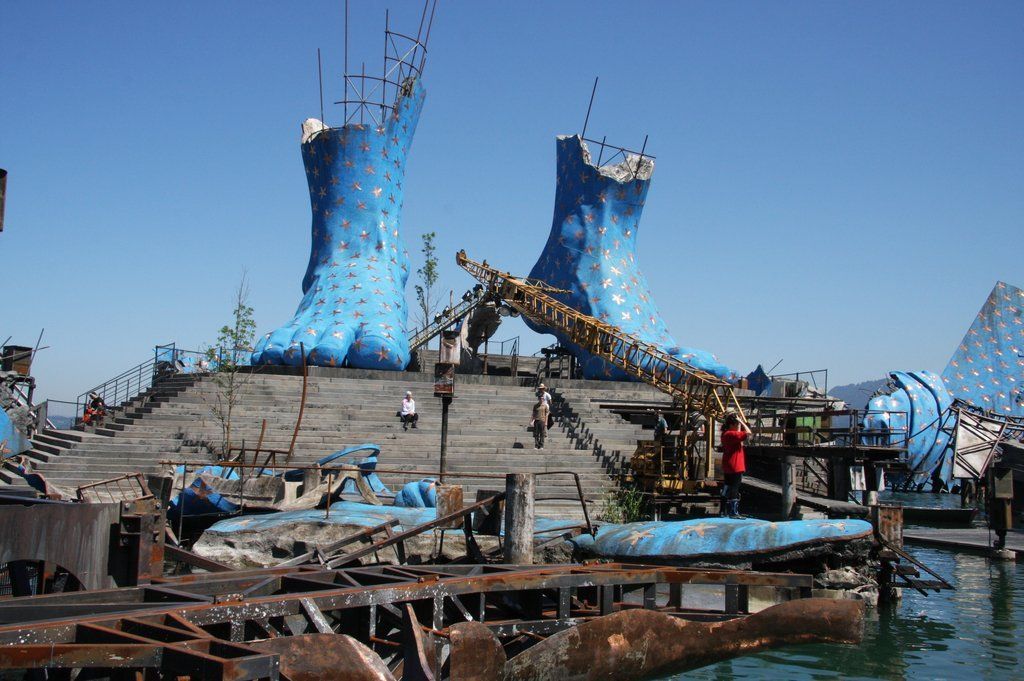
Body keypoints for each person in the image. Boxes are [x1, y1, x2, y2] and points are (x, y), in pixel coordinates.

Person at [720, 412, 750, 518]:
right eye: (737, 424)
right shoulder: (732, 434)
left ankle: (723, 510)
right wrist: (742, 421)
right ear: (731, 425)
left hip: (728, 464)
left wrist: (739, 424)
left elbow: (740, 434)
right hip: (735, 465)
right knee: (735, 487)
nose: (738, 426)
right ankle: (733, 512)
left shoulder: (726, 434)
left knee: (727, 486)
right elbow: (748, 433)